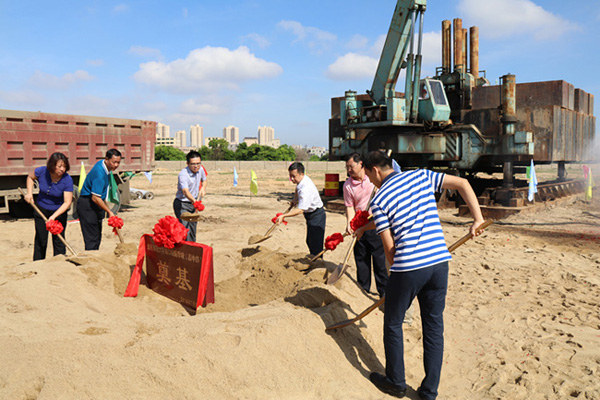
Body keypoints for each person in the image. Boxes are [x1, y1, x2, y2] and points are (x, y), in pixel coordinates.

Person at [358, 151, 484, 400]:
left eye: (369, 176)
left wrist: (396, 273)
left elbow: (389, 252)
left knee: (393, 323)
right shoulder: (421, 176)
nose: (370, 182)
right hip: (439, 263)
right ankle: (429, 392)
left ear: (375, 170)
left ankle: (396, 382)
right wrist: (477, 219)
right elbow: (462, 183)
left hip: (408, 268)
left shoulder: (379, 200)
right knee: (433, 326)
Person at [343, 153, 387, 297]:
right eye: (347, 167)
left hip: (375, 222)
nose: (349, 170)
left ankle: (384, 293)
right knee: (361, 259)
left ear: (361, 164)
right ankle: (363, 291)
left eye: (351, 166)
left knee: (380, 260)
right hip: (359, 223)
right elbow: (349, 206)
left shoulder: (373, 178)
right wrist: (350, 223)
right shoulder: (348, 185)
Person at [24, 152, 74, 260]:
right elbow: (30, 178)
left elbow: (67, 202)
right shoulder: (42, 171)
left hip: (58, 212)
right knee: (41, 238)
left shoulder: (67, 179)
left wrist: (53, 217)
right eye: (59, 166)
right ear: (52, 165)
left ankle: (59, 262)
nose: (62, 169)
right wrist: (29, 193)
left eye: (64, 166)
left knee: (59, 240)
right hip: (41, 209)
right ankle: (38, 263)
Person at [276, 162, 325, 256]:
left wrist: (284, 216)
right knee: (310, 241)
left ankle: (318, 261)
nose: (292, 179)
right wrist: (295, 199)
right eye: (290, 176)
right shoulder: (301, 180)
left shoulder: (305, 188)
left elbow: (300, 210)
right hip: (310, 215)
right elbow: (297, 188)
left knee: (315, 243)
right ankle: (313, 258)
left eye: (294, 176)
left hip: (316, 215)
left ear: (302, 174)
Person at [77, 149, 122, 250]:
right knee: (92, 237)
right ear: (106, 159)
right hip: (88, 204)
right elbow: (95, 198)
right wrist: (109, 211)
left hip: (94, 204)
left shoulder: (103, 165)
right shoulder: (100, 174)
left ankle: (94, 253)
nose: (116, 165)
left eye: (118, 162)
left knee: (97, 235)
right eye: (114, 162)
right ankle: (91, 257)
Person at [173, 150, 207, 242]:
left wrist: (203, 188)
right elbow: (185, 191)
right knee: (185, 230)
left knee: (192, 229)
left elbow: (204, 180)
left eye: (198, 163)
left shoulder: (201, 169)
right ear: (187, 163)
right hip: (182, 204)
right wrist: (194, 201)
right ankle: (184, 248)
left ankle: (192, 247)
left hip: (193, 204)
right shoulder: (183, 174)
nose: (196, 166)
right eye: (193, 164)